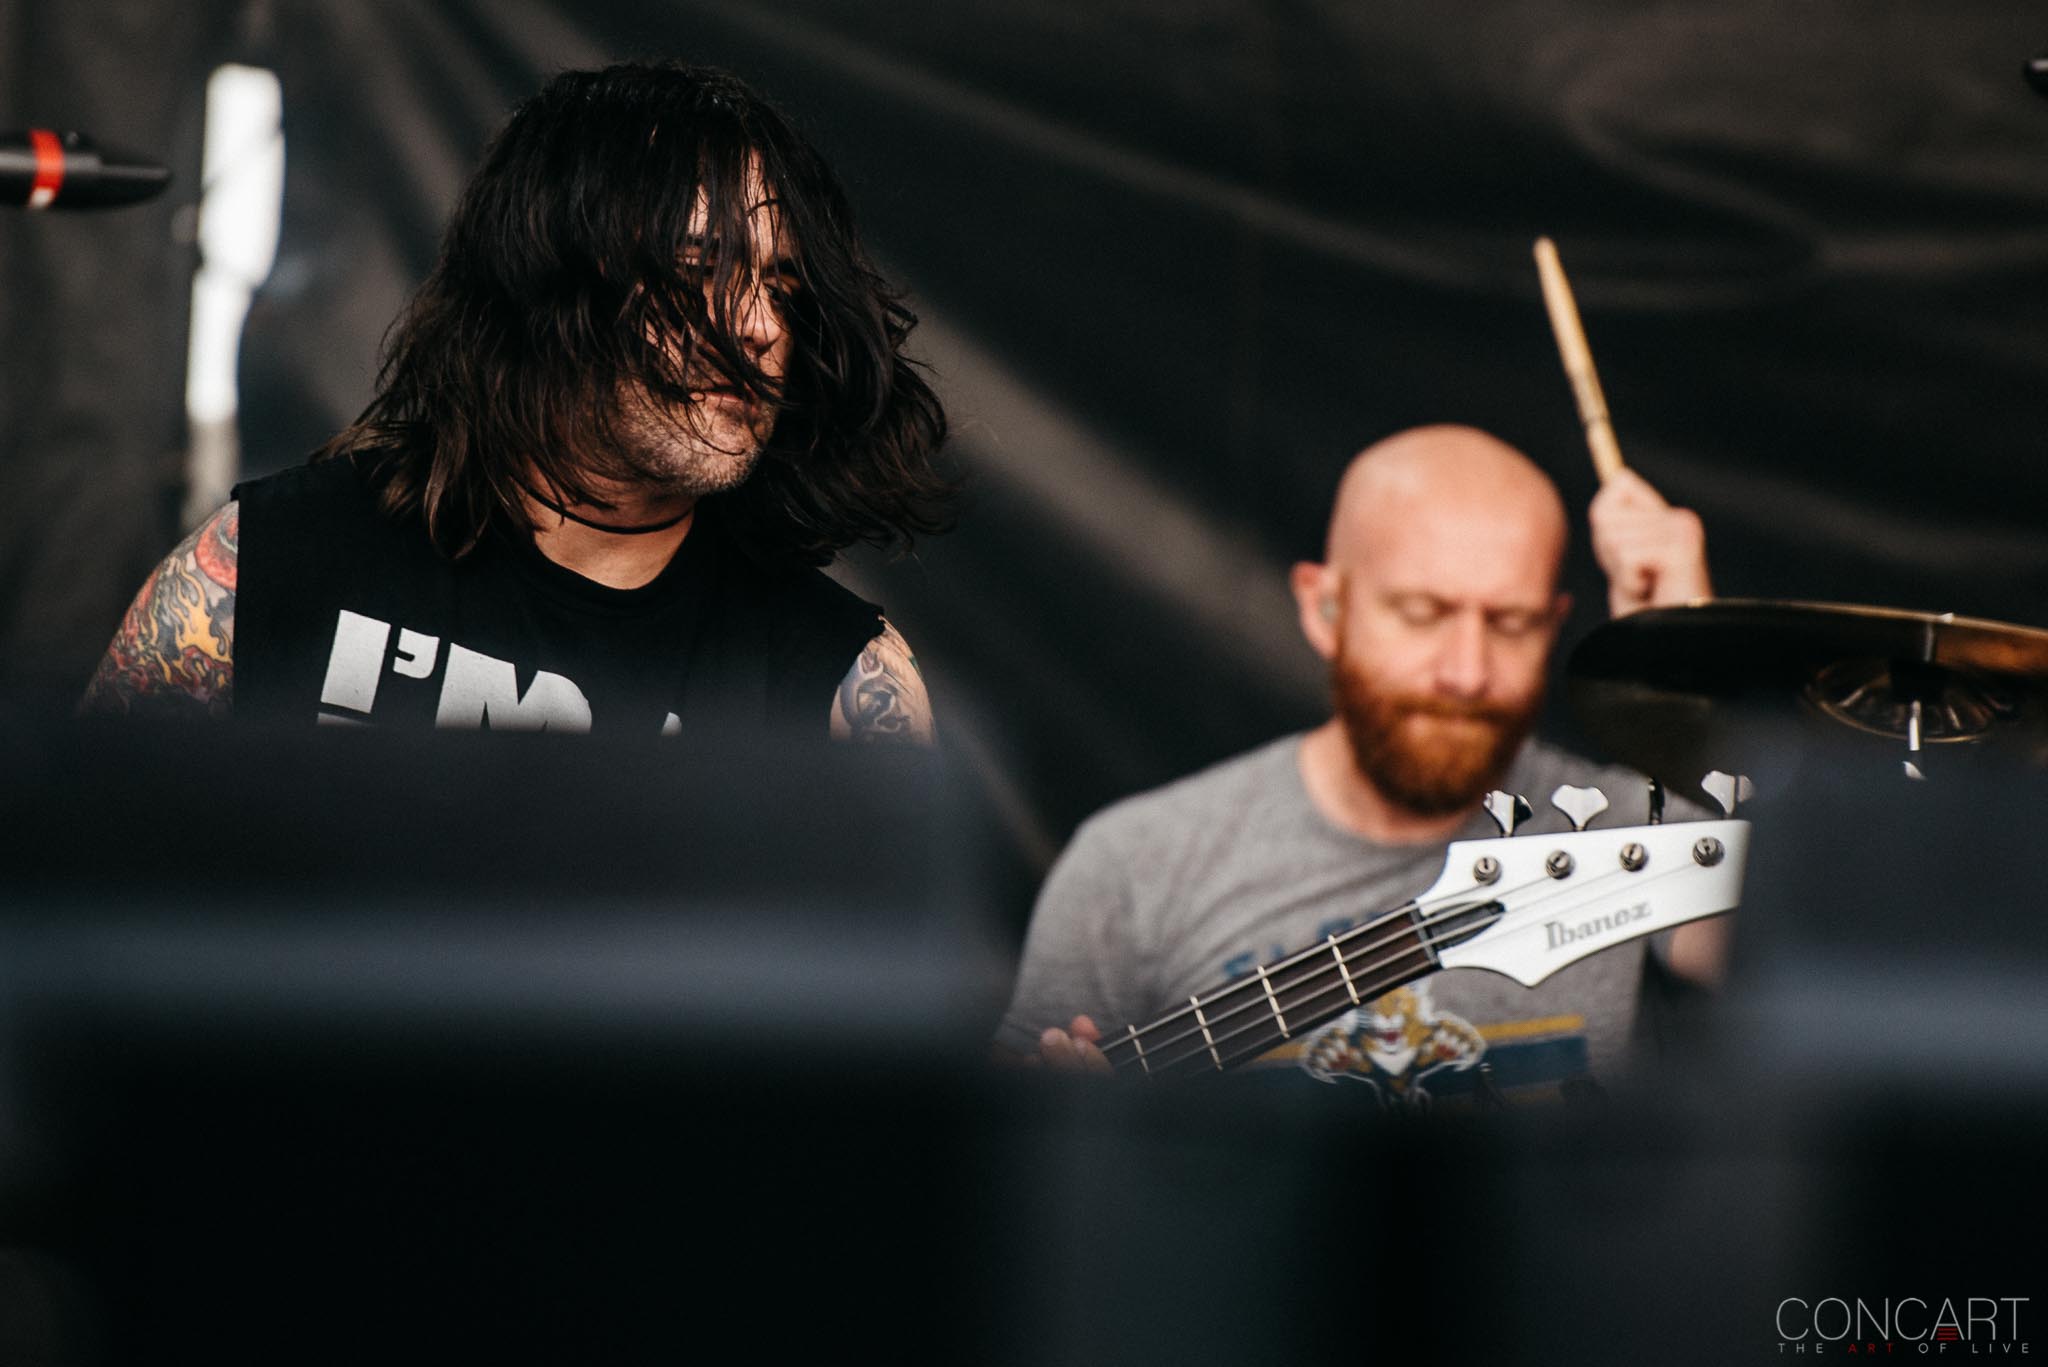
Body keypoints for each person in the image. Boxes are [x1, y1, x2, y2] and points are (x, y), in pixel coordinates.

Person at [81, 63, 949, 741]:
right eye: (697, 271)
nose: (757, 325)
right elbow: (76, 901)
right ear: (553, 285)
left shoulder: (837, 683)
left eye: (781, 285)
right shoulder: (272, 564)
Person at [998, 425, 1720, 1103]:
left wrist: (1701, 676)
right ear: (1325, 608)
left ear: (1556, 626)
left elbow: (1806, 958)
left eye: (1511, 623)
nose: (1467, 672)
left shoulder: (1631, 829)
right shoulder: (1132, 865)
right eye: (1422, 612)